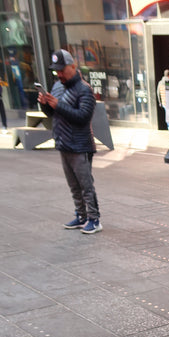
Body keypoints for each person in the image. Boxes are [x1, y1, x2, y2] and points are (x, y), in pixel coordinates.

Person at [38, 50, 101, 234]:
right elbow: (52, 114)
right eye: (56, 71)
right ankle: (81, 216)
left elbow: (83, 117)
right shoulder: (57, 87)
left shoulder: (85, 89)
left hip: (80, 145)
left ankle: (94, 219)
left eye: (62, 70)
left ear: (73, 67)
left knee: (85, 185)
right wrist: (45, 104)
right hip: (63, 143)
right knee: (73, 185)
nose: (59, 74)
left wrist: (59, 105)